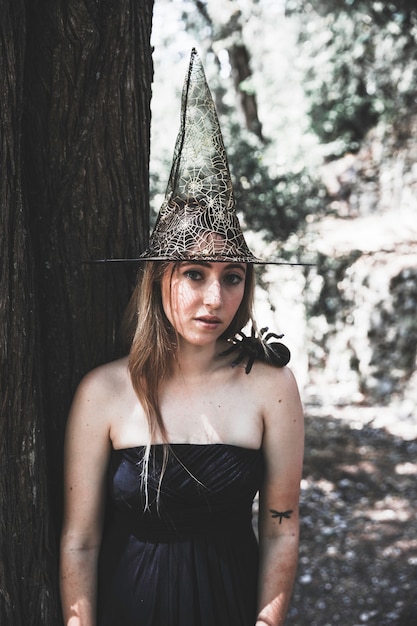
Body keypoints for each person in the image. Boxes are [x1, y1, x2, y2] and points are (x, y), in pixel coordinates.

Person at [60, 49, 304, 626]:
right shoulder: (104, 392)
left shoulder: (270, 386)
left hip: (230, 604)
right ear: (158, 278)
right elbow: (79, 542)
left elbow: (282, 527)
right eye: (193, 274)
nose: (214, 299)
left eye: (232, 277)